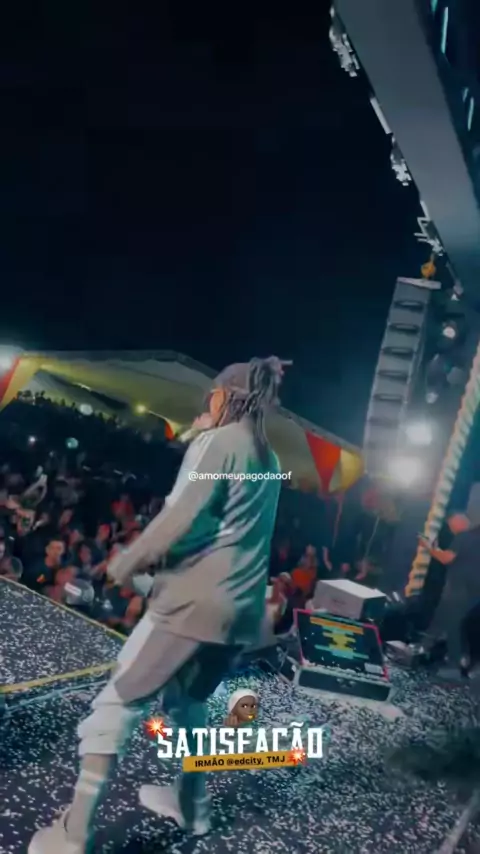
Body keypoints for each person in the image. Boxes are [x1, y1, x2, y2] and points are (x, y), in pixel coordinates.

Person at [29, 354, 288, 854]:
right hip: (241, 611)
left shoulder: (220, 442)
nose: (208, 401)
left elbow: (181, 516)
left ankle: (73, 834)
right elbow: (230, 527)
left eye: (214, 393)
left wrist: (127, 562)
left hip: (192, 606)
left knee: (116, 704)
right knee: (190, 706)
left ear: (228, 396)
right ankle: (193, 807)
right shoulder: (270, 459)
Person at [419, 512, 480, 674]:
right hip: (474, 592)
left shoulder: (464, 536)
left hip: (458, 588)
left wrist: (428, 547)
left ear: (461, 522)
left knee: (452, 623)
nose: (450, 528)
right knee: (446, 620)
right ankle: (425, 647)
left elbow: (446, 558)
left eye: (451, 524)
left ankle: (453, 664)